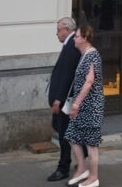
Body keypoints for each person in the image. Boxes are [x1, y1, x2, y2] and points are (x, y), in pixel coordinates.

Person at [66, 23, 105, 186]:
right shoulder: (84, 55)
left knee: (91, 144)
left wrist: (76, 104)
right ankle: (82, 168)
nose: (74, 39)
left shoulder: (92, 55)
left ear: (85, 38)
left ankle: (94, 177)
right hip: (83, 106)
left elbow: (89, 82)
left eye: (77, 36)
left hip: (91, 107)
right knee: (72, 136)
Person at [47, 16, 82, 182]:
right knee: (61, 129)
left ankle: (64, 167)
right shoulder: (69, 44)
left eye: (58, 30)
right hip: (64, 100)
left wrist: (58, 99)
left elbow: (67, 75)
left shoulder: (71, 45)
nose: (56, 34)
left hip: (65, 100)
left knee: (64, 134)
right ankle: (82, 158)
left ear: (67, 29)